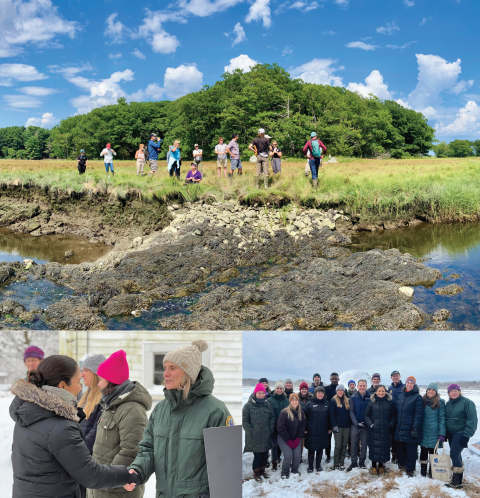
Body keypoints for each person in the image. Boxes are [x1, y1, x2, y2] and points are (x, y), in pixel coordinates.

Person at [9, 355, 135, 498]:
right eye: (77, 381)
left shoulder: (29, 414)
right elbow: (90, 475)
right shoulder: (59, 426)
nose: (80, 387)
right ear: (62, 385)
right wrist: (126, 475)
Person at [125, 340, 234, 498]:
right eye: (165, 368)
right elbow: (148, 449)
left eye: (173, 368)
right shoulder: (160, 410)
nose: (165, 374)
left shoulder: (215, 411)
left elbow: (226, 466)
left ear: (188, 372)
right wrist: (137, 471)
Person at [92, 350, 152, 498]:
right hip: (101, 487)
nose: (98, 384)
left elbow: (131, 450)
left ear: (111, 380)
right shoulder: (111, 406)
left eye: (100, 379)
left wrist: (107, 478)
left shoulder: (132, 410)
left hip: (117, 491)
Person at [445, 383, 478, 489]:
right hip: (451, 433)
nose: (453, 393)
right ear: (449, 393)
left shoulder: (467, 403)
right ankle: (457, 479)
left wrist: (466, 435)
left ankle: (457, 482)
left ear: (459, 391)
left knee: (454, 454)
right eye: (451, 391)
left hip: (461, 433)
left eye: (455, 390)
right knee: (456, 455)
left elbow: (472, 420)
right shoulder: (449, 403)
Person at [243, 383, 275, 482]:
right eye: (259, 393)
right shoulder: (248, 406)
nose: (261, 395)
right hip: (254, 436)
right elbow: (245, 420)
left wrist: (270, 429)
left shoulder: (268, 404)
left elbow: (272, 418)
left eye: (263, 393)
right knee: (258, 456)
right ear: (255, 393)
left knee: (265, 455)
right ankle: (256, 474)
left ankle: (262, 471)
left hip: (266, 434)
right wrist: (250, 431)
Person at [393, 375, 423, 477]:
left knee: (410, 450)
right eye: (408, 383)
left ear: (414, 385)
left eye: (411, 383)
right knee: (400, 449)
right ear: (405, 384)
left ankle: (410, 469)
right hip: (400, 427)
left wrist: (415, 428)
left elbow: (418, 414)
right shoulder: (401, 396)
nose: (409, 385)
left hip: (410, 427)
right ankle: (402, 466)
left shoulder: (417, 397)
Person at [364, 384, 395, 475]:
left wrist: (390, 424)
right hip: (374, 429)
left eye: (383, 391)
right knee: (374, 447)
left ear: (385, 392)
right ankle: (374, 466)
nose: (381, 393)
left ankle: (381, 466)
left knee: (383, 447)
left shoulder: (390, 402)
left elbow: (393, 415)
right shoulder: (371, 402)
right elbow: (366, 415)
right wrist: (371, 425)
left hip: (386, 429)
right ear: (376, 392)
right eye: (379, 391)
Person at [79, 354, 106, 455]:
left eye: (85, 370)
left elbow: (96, 432)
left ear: (95, 373)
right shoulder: (84, 396)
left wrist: (79, 451)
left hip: (88, 456)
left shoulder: (103, 399)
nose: (82, 374)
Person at [277, 392, 307, 479]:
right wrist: (289, 441)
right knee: (288, 455)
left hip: (296, 438)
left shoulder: (301, 413)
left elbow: (302, 427)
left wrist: (297, 439)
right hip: (284, 438)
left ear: (298, 401)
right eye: (292, 400)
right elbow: (281, 428)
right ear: (290, 401)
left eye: (296, 400)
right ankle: (285, 472)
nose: (295, 402)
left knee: (297, 455)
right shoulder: (284, 413)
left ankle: (295, 470)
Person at [420, 382, 446, 479]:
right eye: (429, 390)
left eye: (433, 390)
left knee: (433, 452)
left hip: (434, 432)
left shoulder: (440, 403)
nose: (431, 392)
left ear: (436, 392)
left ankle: (432, 471)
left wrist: (442, 433)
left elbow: (442, 419)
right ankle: (423, 472)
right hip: (423, 431)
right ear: (426, 391)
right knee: (423, 451)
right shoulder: (422, 401)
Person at [304, 386, 330, 473]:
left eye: (322, 393)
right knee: (311, 448)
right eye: (318, 392)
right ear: (315, 393)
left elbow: (330, 417)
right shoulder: (309, 403)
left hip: (323, 429)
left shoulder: (327, 403)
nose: (320, 394)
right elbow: (304, 417)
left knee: (320, 447)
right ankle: (310, 466)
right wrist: (305, 428)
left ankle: (318, 465)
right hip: (311, 429)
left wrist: (330, 427)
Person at [348, 379, 371, 471]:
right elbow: (351, 411)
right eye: (360, 385)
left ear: (366, 386)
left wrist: (366, 422)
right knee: (354, 443)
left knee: (364, 444)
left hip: (365, 425)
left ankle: (362, 461)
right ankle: (353, 461)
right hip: (355, 425)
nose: (362, 387)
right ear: (357, 387)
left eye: (363, 385)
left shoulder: (369, 397)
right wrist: (356, 423)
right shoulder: (353, 397)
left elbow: (370, 411)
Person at [267, 381, 289, 471]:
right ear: (275, 389)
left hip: (284, 427)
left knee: (284, 444)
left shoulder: (286, 400)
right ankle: (274, 463)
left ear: (283, 389)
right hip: (274, 427)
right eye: (278, 388)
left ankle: (286, 461)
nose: (279, 390)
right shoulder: (270, 400)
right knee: (274, 445)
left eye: (281, 388)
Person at [330, 384, 351, 470]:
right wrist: (334, 426)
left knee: (344, 445)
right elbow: (332, 415)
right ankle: (336, 462)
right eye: (339, 390)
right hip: (338, 426)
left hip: (346, 426)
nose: (340, 392)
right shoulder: (333, 401)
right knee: (338, 445)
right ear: (337, 391)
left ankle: (342, 461)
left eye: (342, 390)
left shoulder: (347, 400)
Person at [387, 370, 404, 463]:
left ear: (400, 376)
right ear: (391, 378)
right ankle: (394, 454)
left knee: (400, 436)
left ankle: (400, 454)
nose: (395, 377)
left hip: (402, 416)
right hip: (392, 416)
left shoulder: (404, 387)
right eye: (393, 376)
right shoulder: (389, 388)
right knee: (393, 436)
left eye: (397, 375)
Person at [324, 372, 340, 463]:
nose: (334, 380)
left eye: (336, 378)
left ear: (338, 379)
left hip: (339, 417)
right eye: (332, 379)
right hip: (328, 417)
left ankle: (338, 455)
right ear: (330, 379)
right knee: (328, 439)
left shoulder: (342, 389)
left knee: (338, 439)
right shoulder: (326, 389)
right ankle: (328, 455)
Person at [298, 382, 313, 462]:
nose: (304, 390)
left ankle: (310, 457)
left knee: (309, 441)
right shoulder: (296, 398)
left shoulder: (311, 398)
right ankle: (299, 456)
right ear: (300, 390)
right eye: (302, 389)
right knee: (300, 442)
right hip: (299, 423)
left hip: (309, 422)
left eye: (305, 389)